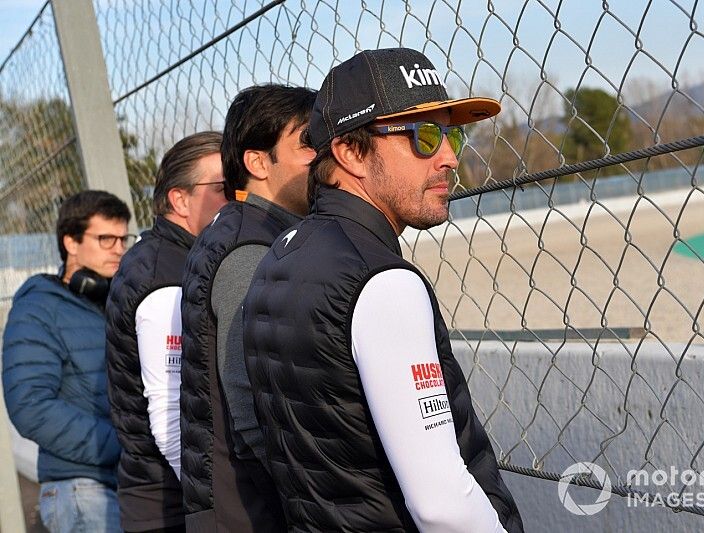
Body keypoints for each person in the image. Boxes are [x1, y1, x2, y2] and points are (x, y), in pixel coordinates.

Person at [242, 48, 523, 532]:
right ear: (351, 151)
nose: (451, 157)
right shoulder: (382, 282)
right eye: (424, 136)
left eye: (451, 133)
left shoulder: (281, 253)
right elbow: (440, 504)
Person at [180, 84, 315, 531]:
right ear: (258, 162)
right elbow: (250, 404)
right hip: (251, 512)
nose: (325, 155)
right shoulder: (252, 249)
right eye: (308, 143)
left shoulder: (235, 228)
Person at [105, 131, 227, 533]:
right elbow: (171, 420)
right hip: (172, 509)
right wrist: (220, 509)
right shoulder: (168, 281)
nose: (237, 198)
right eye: (224, 187)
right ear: (180, 199)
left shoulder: (164, 258)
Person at [3, 190, 133, 532]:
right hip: (82, 492)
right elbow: (30, 406)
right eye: (106, 238)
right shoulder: (38, 308)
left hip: (122, 486)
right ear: (71, 243)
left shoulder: (111, 303)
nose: (119, 248)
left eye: (123, 238)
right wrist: (123, 445)